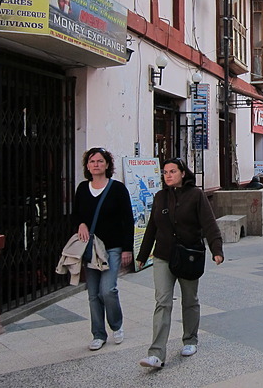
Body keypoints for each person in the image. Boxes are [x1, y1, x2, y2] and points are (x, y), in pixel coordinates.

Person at [136, 158, 224, 369]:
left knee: (189, 299)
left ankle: (190, 339)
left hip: (189, 255)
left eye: (172, 171)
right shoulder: (160, 197)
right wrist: (142, 255)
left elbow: (209, 223)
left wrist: (216, 249)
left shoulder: (196, 195)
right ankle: (156, 353)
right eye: (165, 172)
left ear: (183, 173)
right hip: (163, 256)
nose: (168, 175)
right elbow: (152, 228)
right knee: (163, 301)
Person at [72, 147, 134, 351]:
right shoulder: (82, 188)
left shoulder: (117, 189)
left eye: (99, 161)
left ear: (107, 164)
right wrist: (80, 224)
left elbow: (127, 219)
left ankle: (116, 326)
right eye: (92, 162)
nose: (95, 165)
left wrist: (127, 249)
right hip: (90, 248)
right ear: (87, 166)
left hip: (112, 248)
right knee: (93, 294)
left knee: (107, 290)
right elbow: (76, 215)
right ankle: (98, 334)